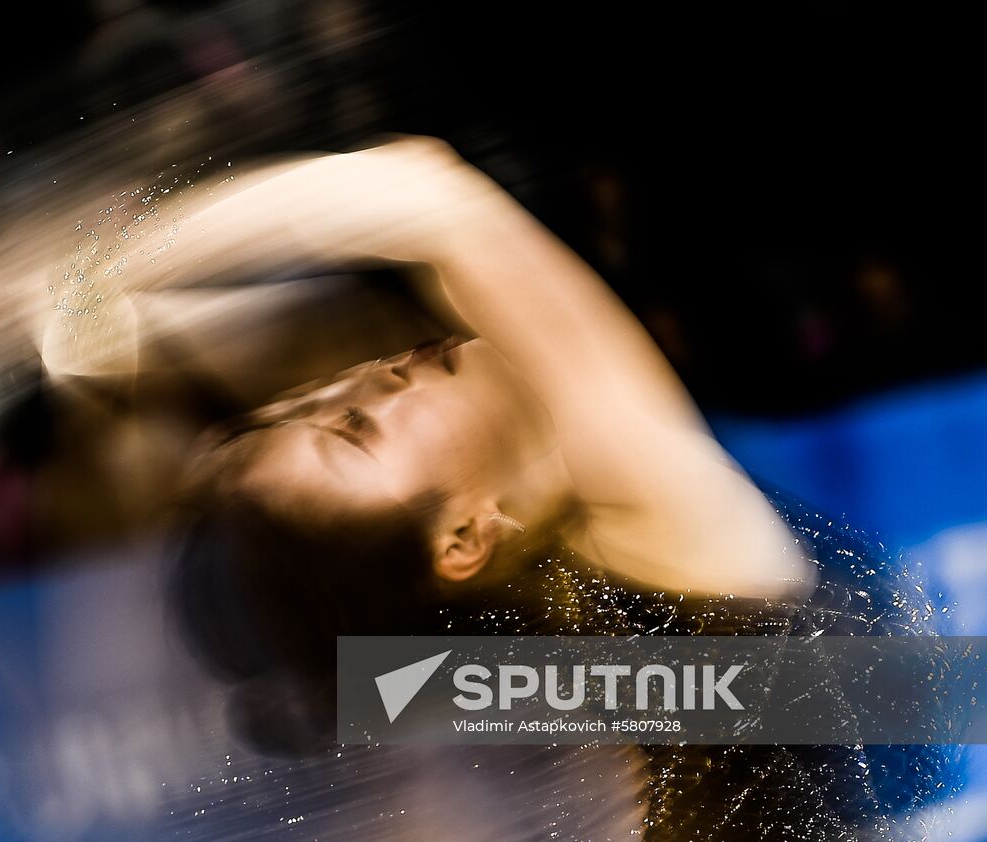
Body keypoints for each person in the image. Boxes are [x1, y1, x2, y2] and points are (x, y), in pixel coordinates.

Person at [148, 137, 958, 839]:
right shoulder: (662, 537)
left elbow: (366, 682)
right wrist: (101, 269)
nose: (367, 378)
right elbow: (419, 191)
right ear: (465, 538)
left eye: (316, 398)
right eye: (356, 428)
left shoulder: (557, 649)